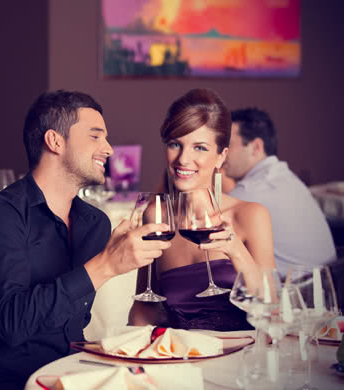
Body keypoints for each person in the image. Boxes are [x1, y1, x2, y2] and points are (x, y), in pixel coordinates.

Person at [0, 90, 170, 390]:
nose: (108, 149)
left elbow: (70, 325)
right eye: (95, 136)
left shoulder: (94, 224)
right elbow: (9, 326)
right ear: (55, 141)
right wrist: (105, 265)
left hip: (67, 376)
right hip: (2, 383)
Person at [129, 89, 276, 331]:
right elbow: (146, 307)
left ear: (221, 156)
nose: (183, 159)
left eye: (200, 147)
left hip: (244, 358)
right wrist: (133, 355)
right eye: (176, 144)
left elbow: (273, 307)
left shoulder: (250, 215)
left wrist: (236, 251)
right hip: (182, 359)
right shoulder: (156, 216)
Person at [223, 107, 336, 275]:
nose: (222, 154)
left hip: (296, 294)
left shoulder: (251, 191)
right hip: (330, 283)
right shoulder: (286, 178)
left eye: (227, 145)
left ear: (256, 147)